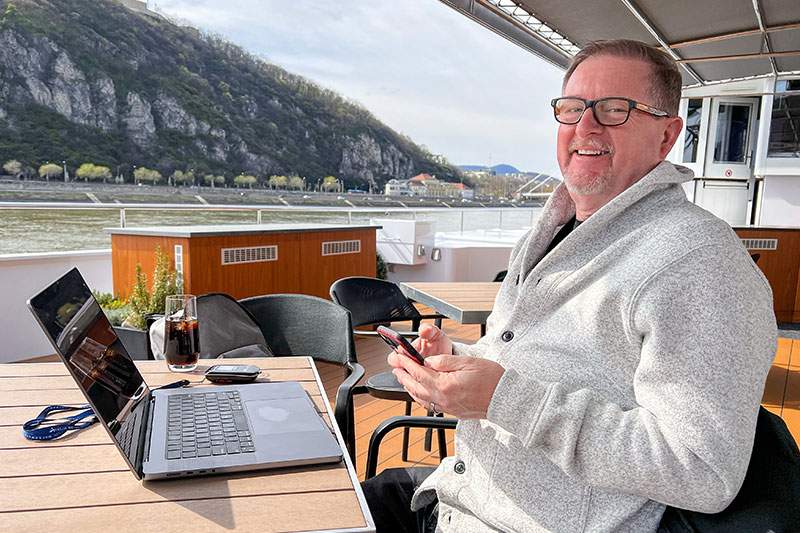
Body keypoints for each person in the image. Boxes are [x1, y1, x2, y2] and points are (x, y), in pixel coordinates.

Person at [362, 39, 777, 532]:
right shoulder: (552, 231)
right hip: (458, 495)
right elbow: (544, 363)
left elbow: (701, 471)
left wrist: (499, 399)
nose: (585, 126)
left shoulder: (700, 263)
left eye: (615, 110)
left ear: (667, 137)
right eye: (572, 108)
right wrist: (460, 361)